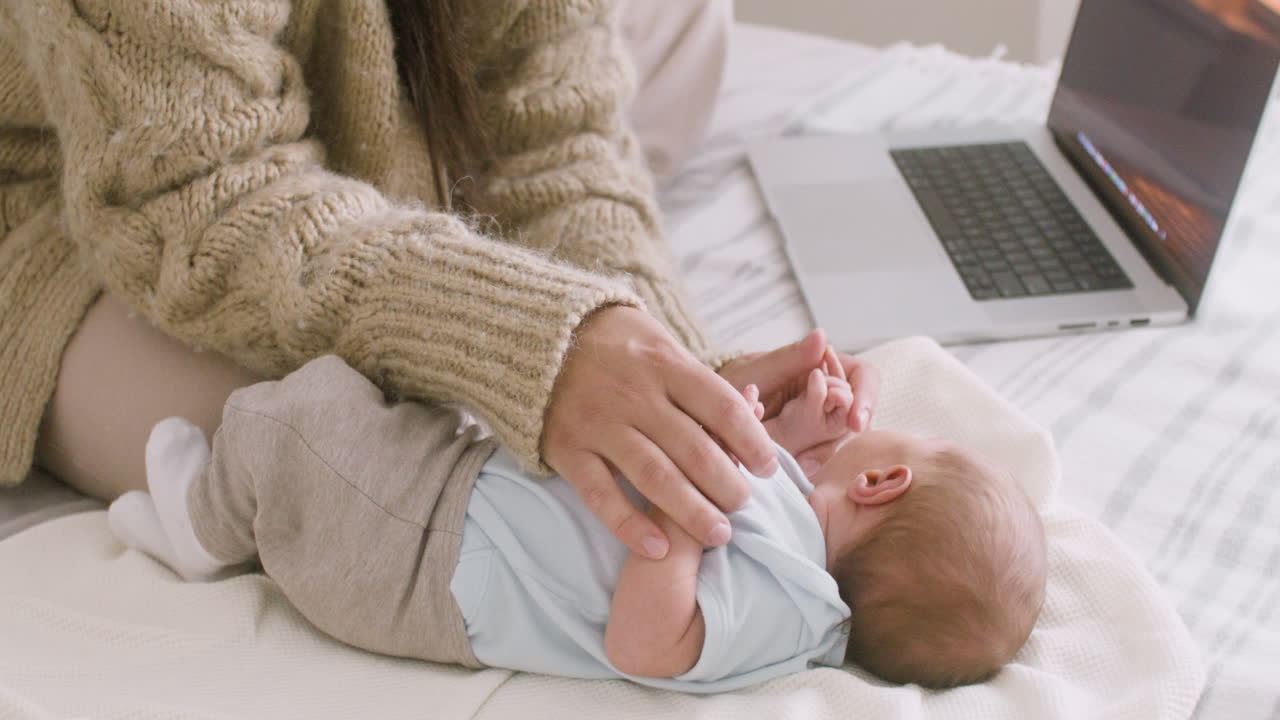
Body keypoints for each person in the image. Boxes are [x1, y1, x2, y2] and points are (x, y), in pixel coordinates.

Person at [1, 0, 879, 570]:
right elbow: (195, 198)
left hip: (387, 126)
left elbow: (556, 145)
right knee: (328, 450)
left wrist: (679, 376)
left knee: (689, 25)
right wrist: (540, 339)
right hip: (91, 199)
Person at [107, 349, 1047, 691]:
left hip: (421, 561)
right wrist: (799, 426)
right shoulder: (800, 533)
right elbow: (767, 481)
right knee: (362, 382)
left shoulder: (796, 610)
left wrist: (677, 524)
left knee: (296, 418)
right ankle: (228, 509)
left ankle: (202, 528)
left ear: (882, 482)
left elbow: (648, 644)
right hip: (456, 502)